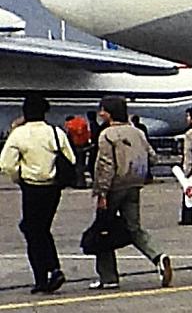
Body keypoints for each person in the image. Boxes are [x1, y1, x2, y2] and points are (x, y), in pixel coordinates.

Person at [90, 96, 174, 290]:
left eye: (102, 110)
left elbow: (106, 165)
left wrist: (101, 192)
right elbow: (152, 157)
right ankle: (157, 255)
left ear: (109, 113)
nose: (100, 114)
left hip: (114, 186)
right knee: (134, 227)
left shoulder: (107, 135)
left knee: (103, 229)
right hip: (134, 184)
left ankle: (108, 276)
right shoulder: (137, 132)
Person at [2, 94, 74, 293]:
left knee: (32, 229)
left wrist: (18, 177)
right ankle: (49, 272)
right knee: (40, 228)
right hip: (53, 188)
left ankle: (47, 272)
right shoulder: (55, 132)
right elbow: (71, 158)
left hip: (31, 187)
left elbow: (7, 163)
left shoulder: (19, 134)